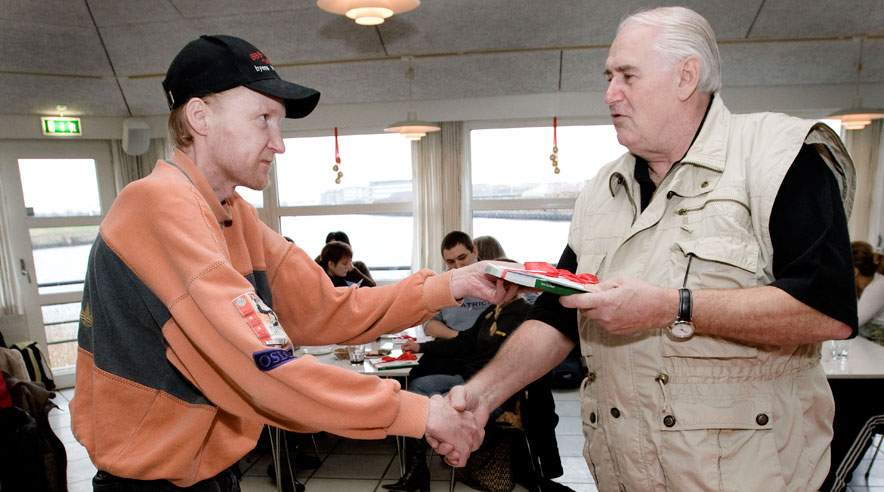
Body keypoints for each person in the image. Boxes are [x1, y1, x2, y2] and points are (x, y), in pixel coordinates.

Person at [71, 34, 512, 489]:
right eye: (263, 119)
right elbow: (263, 368)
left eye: (279, 123)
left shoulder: (233, 215)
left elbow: (328, 309)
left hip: (210, 471)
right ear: (200, 117)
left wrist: (451, 285)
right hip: (149, 481)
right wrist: (421, 413)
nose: (279, 144)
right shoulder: (156, 207)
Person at [446, 7, 857, 491]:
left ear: (686, 76)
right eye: (609, 77)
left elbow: (826, 311)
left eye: (627, 76)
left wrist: (672, 307)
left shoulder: (780, 157)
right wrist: (482, 395)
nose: (610, 94)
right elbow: (558, 317)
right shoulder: (601, 191)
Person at [423, 231, 490, 339]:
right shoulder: (440, 284)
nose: (458, 266)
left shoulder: (494, 278)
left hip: (491, 344)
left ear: (474, 251)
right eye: (451, 262)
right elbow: (428, 325)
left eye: (462, 257)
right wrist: (460, 338)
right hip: (453, 342)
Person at [853, 241, 884, 345]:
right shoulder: (861, 287)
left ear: (854, 271)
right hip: (869, 342)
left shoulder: (879, 286)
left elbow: (853, 324)